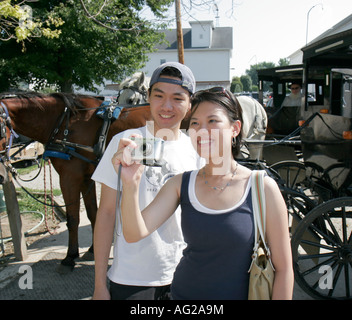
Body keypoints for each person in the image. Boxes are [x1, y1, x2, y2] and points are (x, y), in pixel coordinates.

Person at [114, 87, 294, 300]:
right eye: (195, 123)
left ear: (235, 128)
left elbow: (283, 269)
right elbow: (134, 233)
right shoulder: (181, 183)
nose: (201, 131)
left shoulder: (261, 187)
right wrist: (130, 183)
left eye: (212, 121)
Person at [91, 62, 204, 300]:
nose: (167, 106)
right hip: (132, 278)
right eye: (159, 96)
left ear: (190, 104)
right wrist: (99, 284)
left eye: (177, 98)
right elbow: (107, 213)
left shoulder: (198, 150)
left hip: (186, 276)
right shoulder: (125, 143)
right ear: (148, 98)